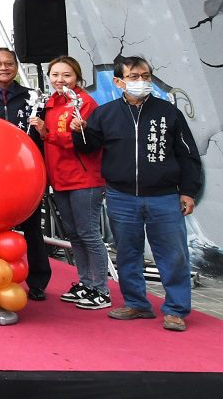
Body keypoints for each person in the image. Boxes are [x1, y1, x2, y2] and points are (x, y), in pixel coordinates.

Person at [72, 56, 202, 332]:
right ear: (118, 82)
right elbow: (87, 148)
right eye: (133, 77)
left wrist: (188, 192)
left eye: (145, 75)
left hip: (164, 196)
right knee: (128, 253)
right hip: (121, 196)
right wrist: (79, 132)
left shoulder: (168, 113)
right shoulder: (105, 114)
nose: (141, 81)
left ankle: (176, 309)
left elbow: (188, 154)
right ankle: (136, 304)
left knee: (172, 254)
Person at [39, 56, 110, 310]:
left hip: (84, 178)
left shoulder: (85, 103)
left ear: (77, 78)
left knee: (89, 233)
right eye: (55, 75)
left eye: (66, 75)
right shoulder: (49, 104)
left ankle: (101, 289)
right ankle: (86, 283)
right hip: (60, 179)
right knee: (75, 234)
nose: (60, 80)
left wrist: (49, 135)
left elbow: (83, 140)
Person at [0, 47, 52, 301]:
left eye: (9, 63)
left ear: (16, 65)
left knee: (33, 227)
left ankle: (38, 282)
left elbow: (47, 136)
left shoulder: (33, 98)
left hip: (27, 172)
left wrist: (44, 132)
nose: (3, 68)